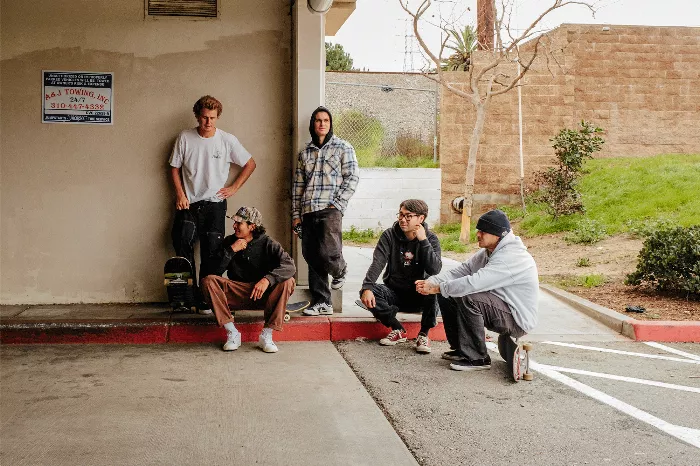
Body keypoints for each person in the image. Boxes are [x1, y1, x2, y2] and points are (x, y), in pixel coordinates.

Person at [415, 209, 538, 371]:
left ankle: (477, 358)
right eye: (478, 230)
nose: (478, 234)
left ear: (497, 235)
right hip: (501, 308)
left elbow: (474, 283)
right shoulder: (488, 252)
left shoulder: (510, 257)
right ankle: (461, 348)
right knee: (448, 293)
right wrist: (431, 282)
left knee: (466, 295)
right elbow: (460, 272)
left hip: (516, 319)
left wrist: (438, 288)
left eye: (483, 231)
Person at [169, 95, 256, 315]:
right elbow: (174, 167)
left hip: (215, 205)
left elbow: (250, 163)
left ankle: (206, 300)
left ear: (218, 118)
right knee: (182, 249)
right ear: (197, 116)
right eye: (205, 117)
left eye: (213, 118)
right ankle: (183, 299)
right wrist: (180, 194)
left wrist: (234, 188)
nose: (208, 122)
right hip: (188, 203)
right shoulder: (185, 137)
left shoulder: (227, 140)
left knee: (212, 253)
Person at [292, 106, 359, 316]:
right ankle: (322, 302)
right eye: (318, 120)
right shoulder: (305, 153)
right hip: (308, 209)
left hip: (330, 209)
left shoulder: (343, 148)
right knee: (311, 256)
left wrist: (337, 204)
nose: (322, 124)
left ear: (330, 124)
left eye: (326, 120)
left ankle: (341, 269)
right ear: (313, 124)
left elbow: (352, 178)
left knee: (329, 252)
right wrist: (296, 215)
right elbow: (298, 187)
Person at [201, 207, 296, 353]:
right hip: (237, 294)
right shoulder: (229, 242)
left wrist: (267, 280)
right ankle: (232, 333)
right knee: (208, 281)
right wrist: (231, 250)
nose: (234, 226)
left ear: (252, 226)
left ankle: (267, 335)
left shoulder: (268, 243)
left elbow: (290, 266)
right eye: (235, 222)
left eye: (239, 223)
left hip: (264, 295)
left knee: (288, 281)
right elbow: (213, 271)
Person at [358, 199, 442, 353]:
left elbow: (435, 269)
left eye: (408, 216)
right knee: (368, 290)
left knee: (432, 287)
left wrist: (423, 241)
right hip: (395, 293)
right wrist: (367, 287)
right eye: (401, 215)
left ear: (421, 219)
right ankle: (397, 329)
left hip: (420, 295)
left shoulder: (430, 239)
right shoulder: (389, 235)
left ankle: (424, 334)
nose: (403, 220)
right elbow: (378, 262)